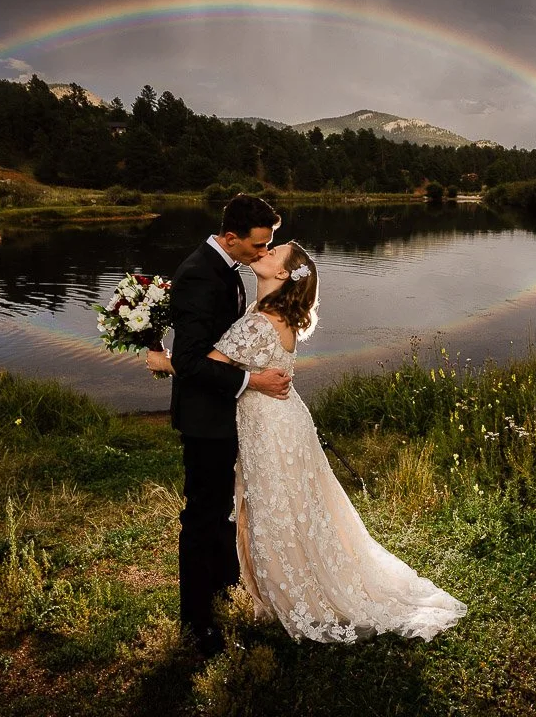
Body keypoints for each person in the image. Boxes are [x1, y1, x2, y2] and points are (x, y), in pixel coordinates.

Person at [157, 240, 466, 644]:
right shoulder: (278, 314)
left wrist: (158, 356)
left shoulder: (259, 321)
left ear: (282, 274)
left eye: (273, 252)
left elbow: (200, 366)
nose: (263, 253)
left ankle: (296, 589)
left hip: (269, 424)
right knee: (298, 503)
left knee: (278, 505)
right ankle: (301, 576)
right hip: (287, 419)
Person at [146, 193, 290, 657]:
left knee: (223, 509)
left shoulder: (225, 268)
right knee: (202, 516)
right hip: (205, 419)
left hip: (224, 413)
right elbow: (188, 362)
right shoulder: (197, 275)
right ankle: (197, 619)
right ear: (231, 237)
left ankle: (225, 585)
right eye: (257, 245)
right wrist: (253, 379)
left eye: (269, 245)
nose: (263, 253)